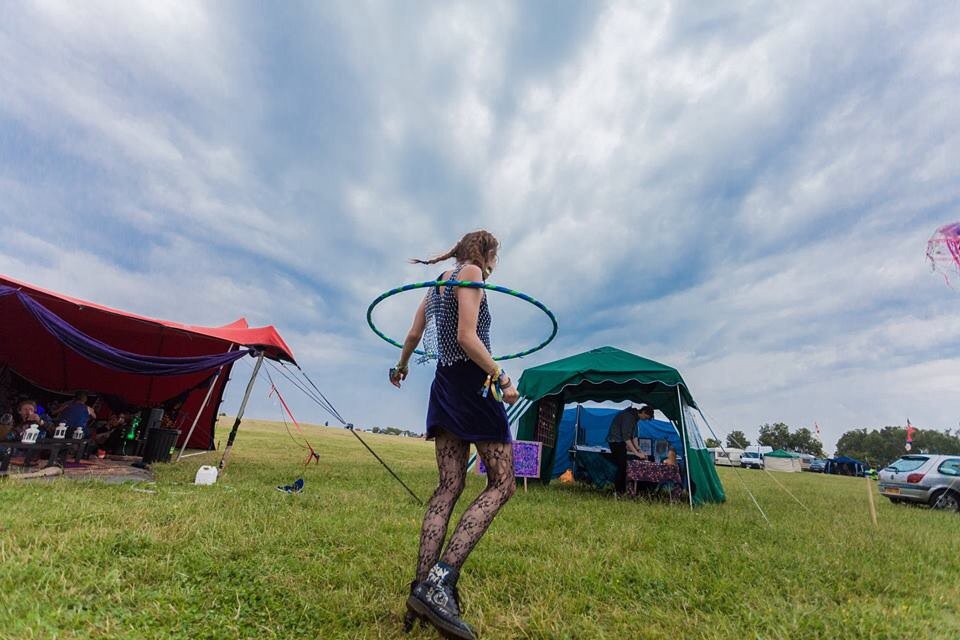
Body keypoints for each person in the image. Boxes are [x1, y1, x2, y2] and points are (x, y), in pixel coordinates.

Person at [389, 230, 519, 640]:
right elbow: (467, 336)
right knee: (503, 483)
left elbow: (412, 336)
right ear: (486, 252)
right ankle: (440, 581)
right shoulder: (472, 272)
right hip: (472, 385)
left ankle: (419, 589)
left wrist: (402, 366)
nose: (495, 261)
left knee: (448, 486)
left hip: (443, 386)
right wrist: (500, 375)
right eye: (495, 254)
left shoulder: (439, 282)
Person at [606, 405, 653, 496]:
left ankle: (625, 490)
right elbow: (626, 437)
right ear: (643, 412)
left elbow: (634, 436)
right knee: (622, 467)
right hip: (615, 442)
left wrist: (639, 450)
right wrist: (636, 453)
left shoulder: (635, 417)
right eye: (646, 417)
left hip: (620, 442)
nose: (645, 420)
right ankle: (618, 492)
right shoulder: (628, 416)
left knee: (624, 467)